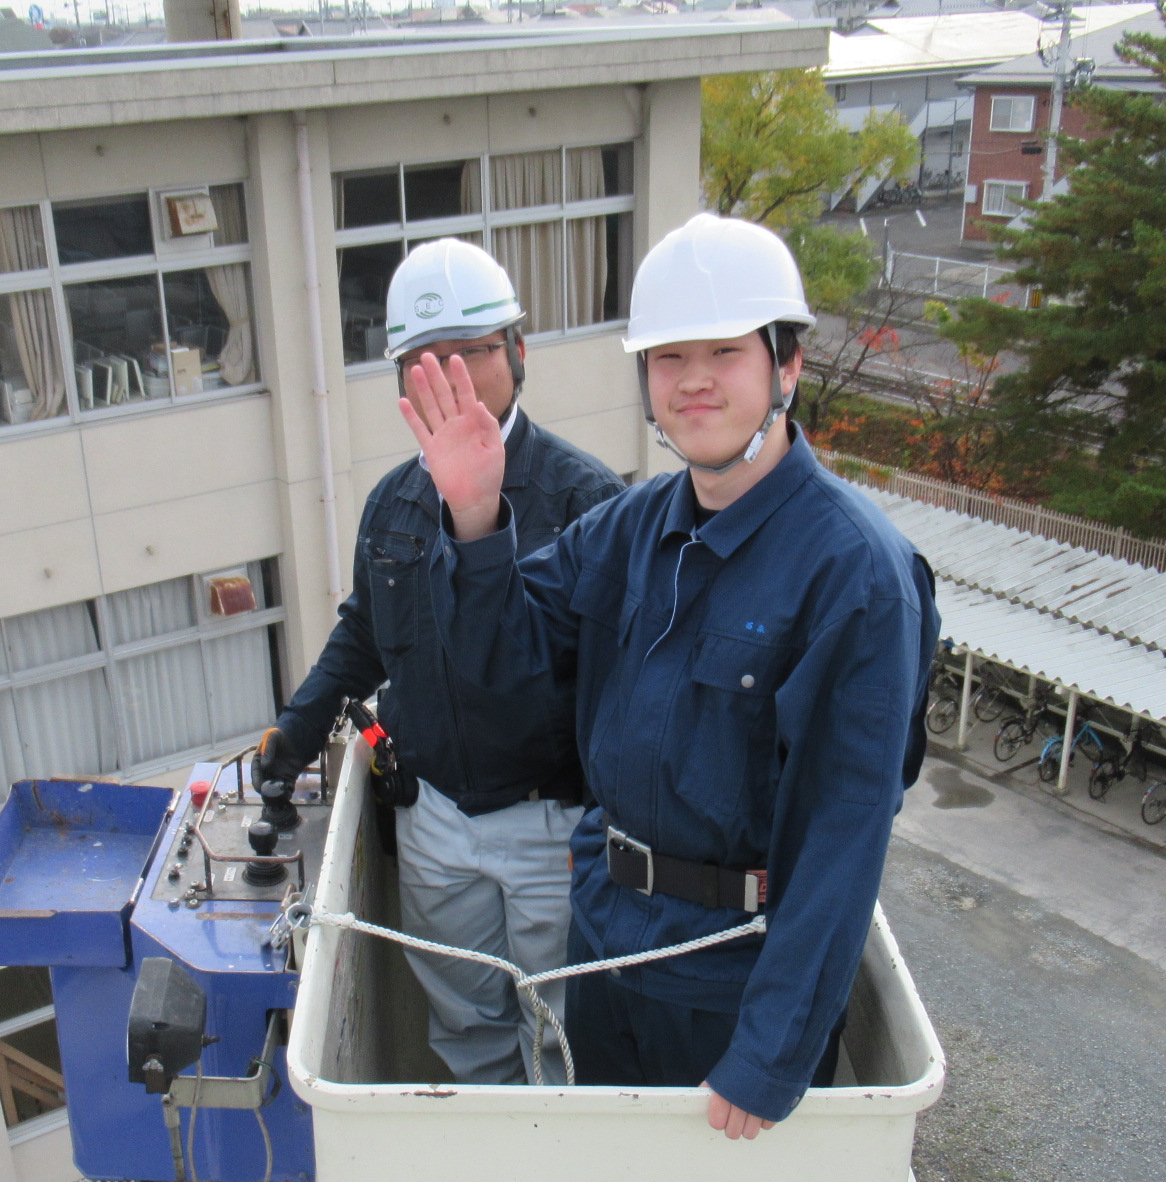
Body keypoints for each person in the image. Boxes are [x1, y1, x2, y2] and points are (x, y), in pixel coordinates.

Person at [398, 213, 939, 1134]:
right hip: (608, 949)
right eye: (666, 356)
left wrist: (768, 1060)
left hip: (729, 979)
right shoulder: (635, 526)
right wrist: (478, 516)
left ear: (788, 364)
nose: (692, 381)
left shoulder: (853, 573)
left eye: (724, 352)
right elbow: (504, 670)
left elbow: (843, 837)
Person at [257, 238, 623, 1084]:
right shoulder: (396, 502)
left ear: (519, 353)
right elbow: (364, 629)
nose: (449, 377)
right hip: (434, 824)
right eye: (423, 363)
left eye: (471, 353)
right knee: (465, 1028)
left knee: (561, 1037)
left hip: (553, 825)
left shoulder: (584, 501)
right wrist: (299, 724)